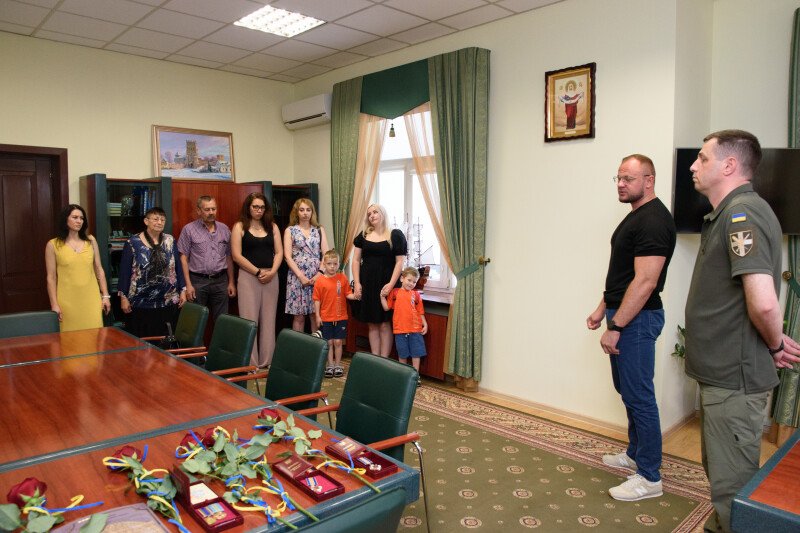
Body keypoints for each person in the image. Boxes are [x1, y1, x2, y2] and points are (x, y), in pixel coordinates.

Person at [684, 129, 800, 532]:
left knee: (732, 487)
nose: (693, 165)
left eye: (702, 158)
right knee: (722, 475)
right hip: (724, 375)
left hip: (733, 378)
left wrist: (774, 344)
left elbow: (764, 302)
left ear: (729, 165)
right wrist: (773, 342)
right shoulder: (730, 213)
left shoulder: (742, 214)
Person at [586, 154, 676, 501]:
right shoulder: (637, 216)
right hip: (624, 314)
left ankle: (650, 477)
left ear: (648, 181)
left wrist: (617, 324)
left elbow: (645, 282)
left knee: (639, 396)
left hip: (637, 319)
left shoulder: (654, 220)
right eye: (619, 178)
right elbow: (623, 275)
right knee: (627, 389)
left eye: (629, 178)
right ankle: (636, 453)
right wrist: (602, 309)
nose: (621, 184)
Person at [231, 193, 283, 368]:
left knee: (269, 320)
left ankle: (267, 361)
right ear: (248, 207)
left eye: (262, 207)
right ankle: (251, 363)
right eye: (255, 207)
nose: (259, 210)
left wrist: (272, 272)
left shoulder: (272, 226)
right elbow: (236, 256)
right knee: (249, 321)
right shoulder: (239, 226)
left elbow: (279, 252)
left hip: (271, 277)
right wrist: (258, 271)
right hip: (248, 277)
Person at [118, 207, 186, 337]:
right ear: (146, 221)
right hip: (140, 302)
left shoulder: (170, 240)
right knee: (142, 340)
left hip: (167, 300)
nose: (159, 222)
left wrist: (183, 290)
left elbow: (177, 266)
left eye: (162, 220)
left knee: (165, 338)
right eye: (155, 219)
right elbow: (124, 272)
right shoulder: (133, 242)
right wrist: (123, 297)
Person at [45, 204, 112, 331]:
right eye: (75, 217)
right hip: (67, 302)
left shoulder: (90, 241)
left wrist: (105, 296)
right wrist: (54, 304)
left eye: (81, 218)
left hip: (91, 300)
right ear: (65, 219)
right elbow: (51, 277)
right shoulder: (53, 244)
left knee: (94, 335)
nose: (79, 221)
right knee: (69, 338)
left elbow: (99, 269)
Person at [352, 204, 407, 356]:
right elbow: (355, 261)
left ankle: (384, 360)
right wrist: (357, 283)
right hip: (367, 283)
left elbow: (400, 262)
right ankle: (375, 360)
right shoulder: (363, 235)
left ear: (382, 213)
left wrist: (391, 284)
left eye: (375, 212)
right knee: (372, 324)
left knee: (384, 324)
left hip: (386, 284)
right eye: (369, 214)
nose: (372, 215)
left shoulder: (395, 235)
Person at [177, 195, 236, 323]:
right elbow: (183, 258)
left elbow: (229, 257)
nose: (211, 212)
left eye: (213, 209)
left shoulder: (224, 229)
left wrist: (231, 282)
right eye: (207, 209)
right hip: (197, 281)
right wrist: (188, 285)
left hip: (221, 281)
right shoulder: (189, 229)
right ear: (199, 211)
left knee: (222, 321)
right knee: (195, 320)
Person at [284, 198, 328, 333]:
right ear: (296, 212)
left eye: (308, 210)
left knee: (315, 315)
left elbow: (326, 254)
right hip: (297, 277)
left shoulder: (319, 230)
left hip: (316, 276)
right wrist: (301, 276)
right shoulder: (290, 230)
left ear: (312, 212)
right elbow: (287, 256)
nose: (305, 213)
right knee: (299, 317)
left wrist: (320, 273)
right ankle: (298, 346)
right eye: (302, 210)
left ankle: (316, 345)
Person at [313, 249, 357, 378]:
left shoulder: (342, 278)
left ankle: (338, 365)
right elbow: (316, 300)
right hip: (326, 318)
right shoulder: (320, 281)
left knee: (338, 342)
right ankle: (330, 365)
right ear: (324, 264)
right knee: (329, 342)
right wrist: (317, 316)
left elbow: (348, 294)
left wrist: (356, 296)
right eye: (329, 264)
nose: (332, 267)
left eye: (335, 264)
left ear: (338, 264)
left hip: (341, 317)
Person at [380, 266, 428, 383]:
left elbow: (420, 311)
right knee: (402, 354)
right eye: (409, 280)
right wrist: (381, 297)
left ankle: (415, 376)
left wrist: (425, 324)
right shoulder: (394, 293)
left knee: (416, 354)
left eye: (414, 282)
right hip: (400, 330)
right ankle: (404, 376)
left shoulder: (416, 295)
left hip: (415, 330)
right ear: (402, 278)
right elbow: (386, 308)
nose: (411, 283)